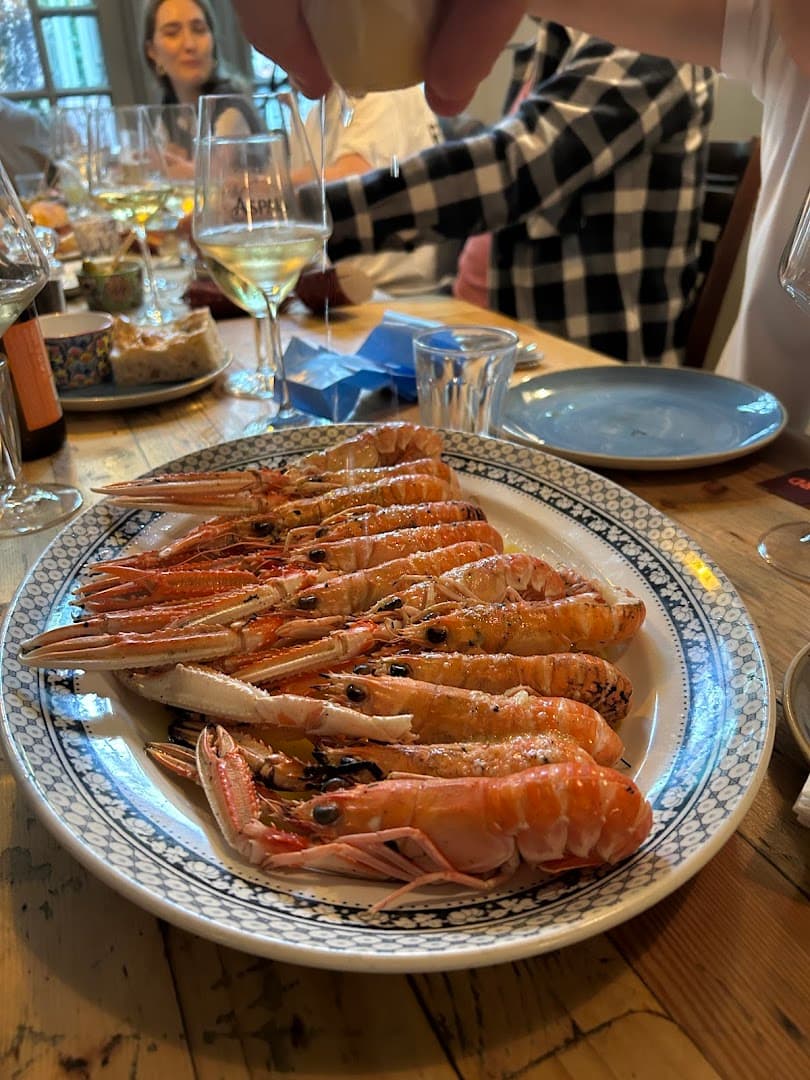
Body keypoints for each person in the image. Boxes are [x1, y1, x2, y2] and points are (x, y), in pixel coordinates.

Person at [232, 0, 809, 432]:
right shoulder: (551, 42)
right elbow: (483, 139)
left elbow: (514, 167)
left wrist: (307, 210)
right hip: (511, 358)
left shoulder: (657, 56)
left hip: (603, 387)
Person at [315, 23, 717, 365]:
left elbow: (511, 170)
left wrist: (310, 218)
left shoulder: (652, 42)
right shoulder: (552, 44)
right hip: (495, 343)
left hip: (591, 383)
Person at [304, 88, 444, 295]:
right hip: (355, 291)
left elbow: (355, 176)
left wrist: (264, 183)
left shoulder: (376, 88)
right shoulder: (319, 109)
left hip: (397, 296)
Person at [142, 0, 251, 149]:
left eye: (199, 30)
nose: (190, 45)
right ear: (152, 52)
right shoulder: (168, 111)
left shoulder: (230, 107)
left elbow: (222, 171)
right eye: (172, 33)